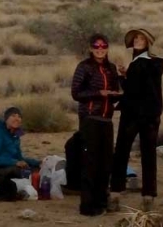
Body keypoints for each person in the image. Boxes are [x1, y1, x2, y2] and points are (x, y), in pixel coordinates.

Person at [110, 28, 163, 212]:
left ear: (147, 42)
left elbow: (135, 89)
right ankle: (144, 195)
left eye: (141, 38)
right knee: (141, 154)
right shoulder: (145, 63)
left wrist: (123, 75)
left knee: (126, 153)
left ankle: (120, 193)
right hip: (143, 114)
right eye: (135, 38)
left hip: (139, 114)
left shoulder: (147, 63)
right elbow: (135, 87)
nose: (137, 40)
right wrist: (125, 74)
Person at [71, 33, 121, 216]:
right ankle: (87, 206)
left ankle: (101, 201)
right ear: (91, 49)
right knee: (90, 163)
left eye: (103, 46)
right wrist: (99, 93)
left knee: (105, 163)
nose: (100, 49)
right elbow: (76, 93)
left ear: (107, 48)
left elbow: (115, 90)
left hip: (107, 119)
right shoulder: (84, 67)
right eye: (96, 46)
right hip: (90, 119)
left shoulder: (111, 68)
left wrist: (117, 91)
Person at [0, 107, 41, 180]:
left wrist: (38, 162)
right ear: (6, 119)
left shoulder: (15, 136)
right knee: (23, 171)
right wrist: (14, 162)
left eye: (19, 117)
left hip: (11, 167)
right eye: (13, 116)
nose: (16, 119)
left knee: (38, 169)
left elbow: (20, 159)